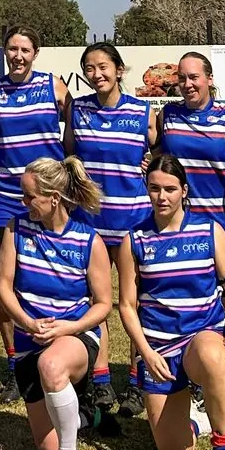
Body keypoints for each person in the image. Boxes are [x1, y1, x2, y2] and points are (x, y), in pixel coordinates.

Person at [152, 52, 225, 426]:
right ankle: (199, 390)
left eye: (195, 78)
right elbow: (158, 159)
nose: (188, 84)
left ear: (209, 78)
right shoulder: (167, 117)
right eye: (182, 78)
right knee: (192, 314)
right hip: (182, 235)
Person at [115, 154, 225, 450]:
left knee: (213, 355)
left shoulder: (210, 231)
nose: (162, 196)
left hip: (200, 337)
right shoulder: (134, 240)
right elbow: (127, 306)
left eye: (170, 189)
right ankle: (195, 418)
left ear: (184, 191)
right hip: (159, 351)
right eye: (155, 188)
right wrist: (145, 353)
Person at [0, 157, 112, 450]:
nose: (23, 202)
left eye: (30, 197)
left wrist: (66, 328)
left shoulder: (89, 241)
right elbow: (3, 285)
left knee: (52, 364)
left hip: (75, 335)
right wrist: (27, 321)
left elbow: (103, 305)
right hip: (31, 337)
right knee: (46, 446)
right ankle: (91, 415)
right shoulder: (16, 228)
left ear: (54, 198)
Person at [0, 25, 70, 405]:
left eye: (24, 49)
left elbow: (77, 125)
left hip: (49, 200)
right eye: (12, 49)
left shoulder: (53, 86)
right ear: (5, 52)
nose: (17, 55)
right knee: (5, 286)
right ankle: (16, 367)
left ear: (35, 53)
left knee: (55, 280)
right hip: (6, 200)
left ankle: (61, 360)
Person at [64, 42, 150, 416]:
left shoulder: (143, 112)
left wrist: (150, 162)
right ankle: (99, 382)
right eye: (89, 68)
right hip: (90, 225)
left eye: (103, 67)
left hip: (133, 223)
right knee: (94, 305)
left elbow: (157, 159)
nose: (96, 74)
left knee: (133, 305)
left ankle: (135, 382)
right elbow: (68, 156)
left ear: (119, 69)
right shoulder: (78, 109)